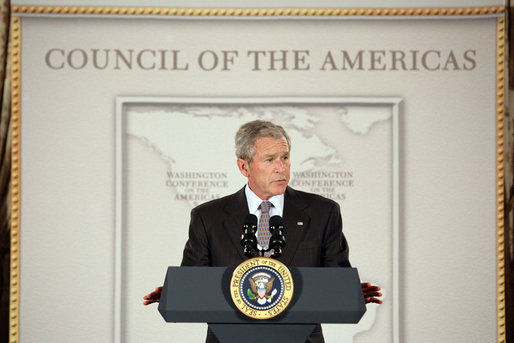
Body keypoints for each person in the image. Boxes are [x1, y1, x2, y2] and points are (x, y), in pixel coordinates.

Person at [144, 120, 382, 342]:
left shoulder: (322, 212)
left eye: (285, 157)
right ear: (244, 166)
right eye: (270, 160)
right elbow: (194, 284)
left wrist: (348, 292)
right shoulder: (208, 217)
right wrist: (177, 292)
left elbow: (336, 281)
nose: (281, 168)